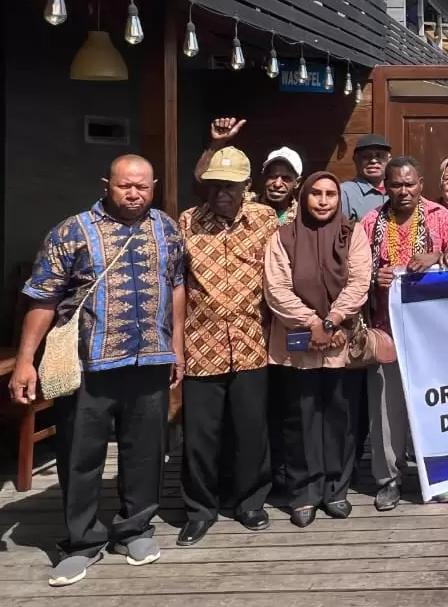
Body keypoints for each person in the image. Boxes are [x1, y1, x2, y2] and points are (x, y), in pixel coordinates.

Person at [9, 155, 184, 588]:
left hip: (150, 359)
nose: (134, 193)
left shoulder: (166, 228)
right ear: (107, 184)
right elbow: (42, 299)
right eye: (125, 185)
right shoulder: (72, 232)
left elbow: (177, 285)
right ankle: (82, 541)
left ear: (154, 186)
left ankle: (135, 528)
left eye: (142, 186)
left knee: (145, 451)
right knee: (80, 456)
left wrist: (176, 346)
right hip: (88, 365)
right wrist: (25, 360)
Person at [175, 147, 279, 547]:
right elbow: (176, 281)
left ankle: (250, 502)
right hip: (202, 344)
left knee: (252, 430)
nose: (221, 193)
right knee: (201, 436)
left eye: (230, 186)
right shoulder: (188, 221)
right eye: (215, 185)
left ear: (246, 187)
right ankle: (200, 509)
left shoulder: (265, 220)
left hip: (252, 341)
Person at [264, 172, 372, 528]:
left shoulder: (352, 232)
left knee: (340, 417)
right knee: (300, 420)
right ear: (304, 197)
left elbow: (359, 280)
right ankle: (304, 493)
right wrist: (312, 323)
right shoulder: (283, 237)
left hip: (341, 342)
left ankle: (335, 489)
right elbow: (276, 286)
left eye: (330, 194)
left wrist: (334, 320)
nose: (323, 201)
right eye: (316, 194)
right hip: (299, 345)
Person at [363, 156, 448, 511]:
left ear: (421, 183)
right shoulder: (371, 222)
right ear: (385, 187)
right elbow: (355, 269)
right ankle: (390, 479)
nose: (403, 191)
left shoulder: (440, 217)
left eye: (409, 184)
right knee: (386, 409)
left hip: (433, 333)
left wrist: (438, 255)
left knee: (434, 403)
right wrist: (374, 277)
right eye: (396, 185)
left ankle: (438, 473)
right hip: (385, 328)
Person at [341, 133, 392, 222]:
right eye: (366, 156)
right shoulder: (345, 192)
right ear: (355, 159)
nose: (373, 160)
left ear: (389, 159)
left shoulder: (398, 189)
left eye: (379, 156)